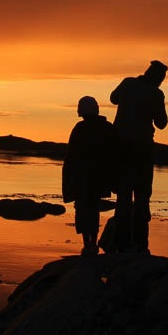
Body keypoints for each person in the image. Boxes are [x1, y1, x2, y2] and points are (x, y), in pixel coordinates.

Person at [109, 60, 168, 252]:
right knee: (142, 197)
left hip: (120, 148)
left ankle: (120, 242)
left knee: (123, 196)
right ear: (158, 78)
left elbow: (113, 98)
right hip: (142, 150)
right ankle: (140, 245)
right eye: (162, 79)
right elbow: (162, 123)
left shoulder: (128, 83)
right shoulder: (156, 94)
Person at [61, 95, 116, 256]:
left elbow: (70, 155)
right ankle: (91, 243)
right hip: (98, 177)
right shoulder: (107, 127)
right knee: (93, 209)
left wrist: (69, 178)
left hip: (84, 177)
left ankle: (88, 244)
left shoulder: (80, 128)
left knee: (84, 210)